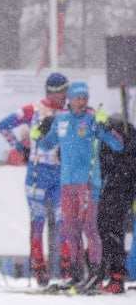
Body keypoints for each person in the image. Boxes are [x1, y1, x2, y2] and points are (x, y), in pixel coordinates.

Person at [0, 72, 69, 285]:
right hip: (37, 172)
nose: (66, 96)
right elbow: (3, 126)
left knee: (63, 221)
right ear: (53, 92)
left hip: (60, 173)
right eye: (63, 92)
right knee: (38, 221)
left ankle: (66, 270)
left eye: (67, 92)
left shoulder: (68, 110)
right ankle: (39, 270)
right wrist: (20, 148)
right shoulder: (35, 108)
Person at [50, 82, 122, 287]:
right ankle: (75, 273)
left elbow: (117, 145)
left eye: (85, 98)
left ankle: (96, 273)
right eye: (78, 97)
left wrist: (107, 125)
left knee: (89, 228)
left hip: (89, 183)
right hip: (66, 183)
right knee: (70, 230)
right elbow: (47, 142)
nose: (81, 102)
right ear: (70, 99)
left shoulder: (92, 120)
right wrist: (42, 129)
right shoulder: (61, 120)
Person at [98, 110, 136, 293]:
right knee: (107, 229)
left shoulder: (125, 135)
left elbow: (115, 161)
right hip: (114, 189)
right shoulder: (117, 135)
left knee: (112, 230)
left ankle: (116, 276)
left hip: (120, 189)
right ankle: (112, 274)